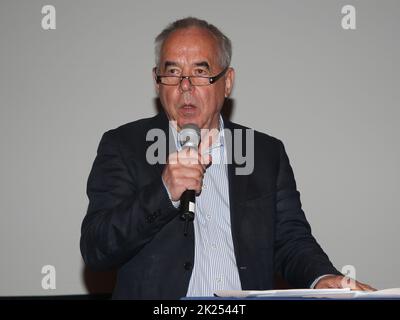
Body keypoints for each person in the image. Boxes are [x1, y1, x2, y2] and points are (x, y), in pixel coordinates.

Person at [80, 17, 375, 299]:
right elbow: (96, 249)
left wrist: (321, 278)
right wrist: (163, 193)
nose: (185, 86)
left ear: (228, 81)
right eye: (172, 73)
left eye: (200, 72)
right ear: (157, 82)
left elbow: (291, 241)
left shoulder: (264, 153)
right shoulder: (124, 146)